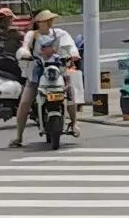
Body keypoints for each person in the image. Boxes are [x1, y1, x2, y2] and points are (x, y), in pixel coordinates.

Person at [13, 8, 81, 143]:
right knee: (25, 102)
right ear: (38, 22)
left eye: (50, 20)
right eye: (45, 20)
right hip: (38, 70)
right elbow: (25, 46)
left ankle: (74, 124)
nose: (49, 22)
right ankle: (19, 136)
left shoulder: (60, 33)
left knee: (70, 92)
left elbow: (70, 46)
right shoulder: (32, 34)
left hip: (58, 69)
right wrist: (24, 52)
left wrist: (73, 53)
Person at [0, 6, 23, 79]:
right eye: (11, 19)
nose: (12, 21)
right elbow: (26, 37)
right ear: (8, 19)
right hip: (8, 63)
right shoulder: (12, 33)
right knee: (24, 78)